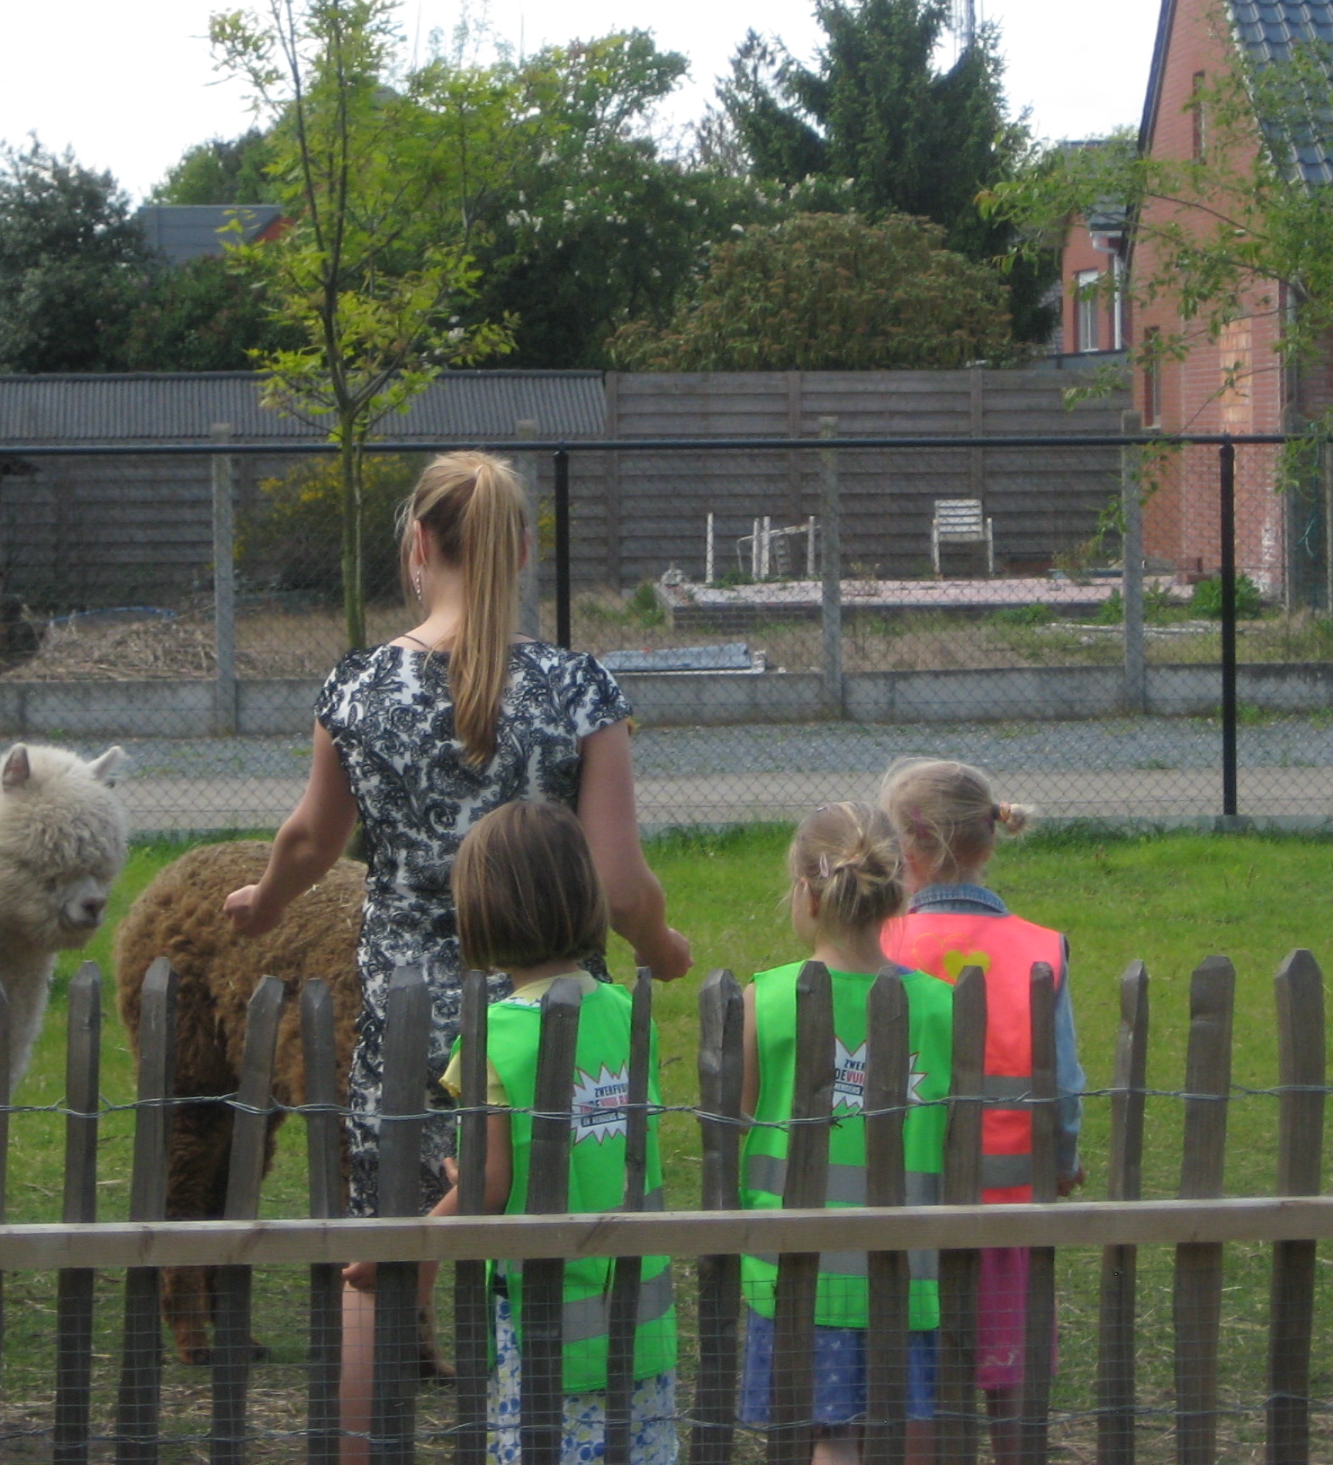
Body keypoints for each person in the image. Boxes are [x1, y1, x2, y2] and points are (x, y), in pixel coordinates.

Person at [225, 451, 692, 1453]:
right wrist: (663, 943)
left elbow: (312, 839)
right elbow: (619, 887)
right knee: (562, 1245)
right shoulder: (580, 690)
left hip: (404, 1020)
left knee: (383, 1253)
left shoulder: (358, 685)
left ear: (417, 548)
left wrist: (264, 902)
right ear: (524, 551)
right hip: (547, 1028)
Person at [347, 799, 680, 1465]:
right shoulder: (623, 1010)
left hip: (547, 1329)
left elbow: (491, 1186)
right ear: (586, 898)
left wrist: (410, 1253)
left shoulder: (496, 1035)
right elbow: (600, 1136)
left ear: (479, 912)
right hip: (642, 1321)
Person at [876, 759, 1087, 1465]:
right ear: (989, 842)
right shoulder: (1041, 948)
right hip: (1010, 1211)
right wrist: (1064, 1162)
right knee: (1015, 1388)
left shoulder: (879, 945)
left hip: (905, 1213)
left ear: (903, 845)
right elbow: (1061, 1084)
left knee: (917, 1395)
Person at [738, 803, 953, 1465]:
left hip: (791, 1271)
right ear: (897, 890)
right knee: (896, 1430)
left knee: (827, 1439)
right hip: (904, 1271)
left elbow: (736, 1121)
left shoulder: (764, 1001)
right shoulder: (942, 1007)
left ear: (805, 891)